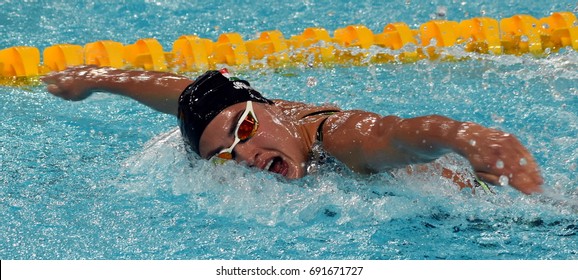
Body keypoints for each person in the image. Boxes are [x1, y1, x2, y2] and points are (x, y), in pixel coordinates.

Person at [42, 65, 543, 195]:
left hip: (491, 205)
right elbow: (179, 94)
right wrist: (96, 79)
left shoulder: (338, 139)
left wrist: (465, 137)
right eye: (224, 153)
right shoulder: (250, 117)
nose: (245, 155)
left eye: (244, 128)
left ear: (270, 107)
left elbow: (393, 133)